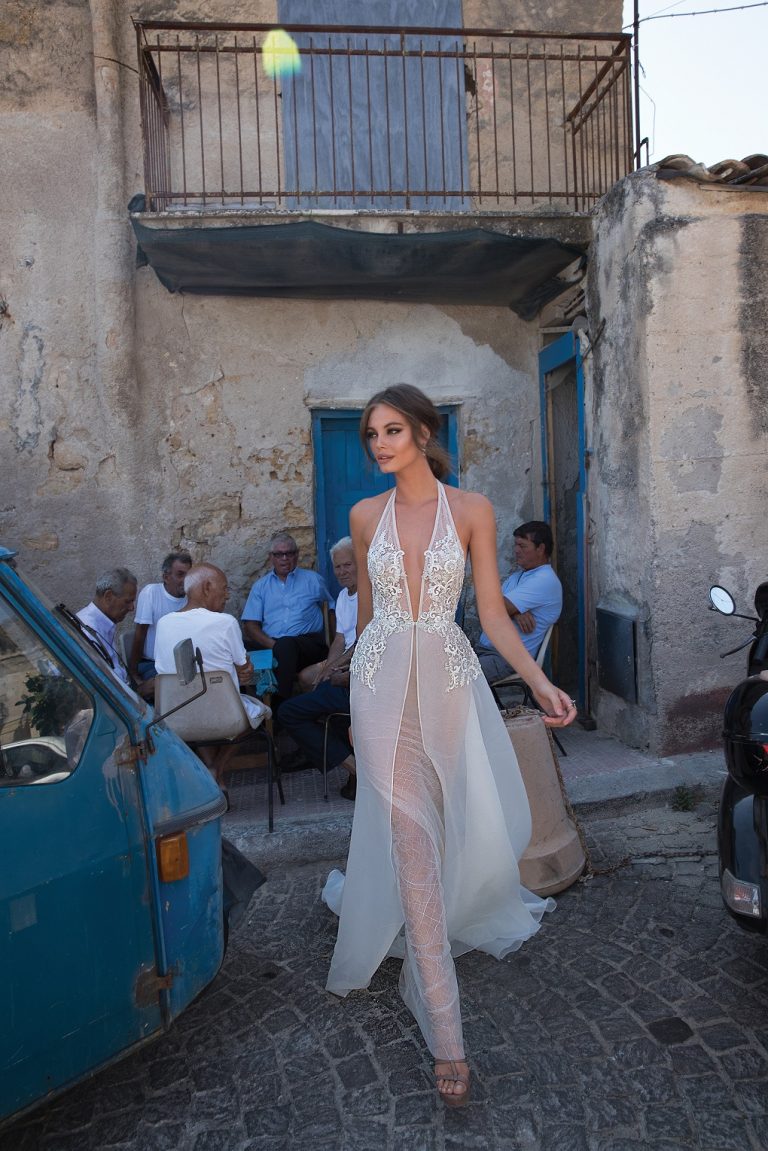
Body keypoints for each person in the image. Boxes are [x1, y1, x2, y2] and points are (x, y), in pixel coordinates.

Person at [321, 384, 576, 1108]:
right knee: (409, 836)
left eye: (393, 430)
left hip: (448, 681)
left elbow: (491, 613)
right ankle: (447, 1033)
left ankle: (428, 931)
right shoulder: (363, 516)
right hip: (378, 685)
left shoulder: (472, 510)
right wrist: (351, 700)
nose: (380, 444)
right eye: (372, 433)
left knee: (438, 830)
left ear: (424, 433)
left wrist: (539, 680)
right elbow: (367, 622)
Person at [154, 564, 270, 792]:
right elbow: (245, 668)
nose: (227, 595)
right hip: (226, 715)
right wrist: (239, 669)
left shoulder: (164, 624)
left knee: (199, 705)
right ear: (207, 587)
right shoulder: (225, 622)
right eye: (224, 588)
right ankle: (216, 768)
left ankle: (211, 773)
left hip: (178, 715)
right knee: (255, 712)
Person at [279, 537, 358, 799]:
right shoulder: (344, 597)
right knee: (313, 681)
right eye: (338, 567)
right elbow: (339, 639)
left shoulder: (371, 597)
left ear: (361, 564)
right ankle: (349, 765)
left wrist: (336, 668)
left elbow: (363, 643)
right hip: (345, 666)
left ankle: (356, 770)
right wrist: (328, 667)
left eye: (347, 565)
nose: (342, 572)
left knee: (291, 711)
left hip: (360, 675)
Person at [241, 532, 333, 713]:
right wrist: (275, 646)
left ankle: (279, 708)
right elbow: (250, 625)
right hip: (273, 645)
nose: (284, 558)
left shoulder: (313, 580)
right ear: (271, 557)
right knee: (238, 648)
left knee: (287, 645)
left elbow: (331, 608)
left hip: (307, 645)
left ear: (296, 555)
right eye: (279, 554)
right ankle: (244, 709)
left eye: (289, 553)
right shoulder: (261, 586)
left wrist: (336, 644)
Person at [475, 521, 563, 682]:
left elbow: (489, 608)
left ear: (541, 548)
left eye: (522, 546)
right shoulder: (518, 576)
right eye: (516, 545)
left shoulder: (544, 580)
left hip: (507, 659)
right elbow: (483, 607)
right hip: (486, 651)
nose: (516, 550)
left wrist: (508, 609)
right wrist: (515, 612)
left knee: (452, 678)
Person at [128, 551, 193, 683]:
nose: (185, 580)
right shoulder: (151, 593)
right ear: (166, 577)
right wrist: (133, 674)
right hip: (153, 664)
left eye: (189, 575)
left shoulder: (192, 598)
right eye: (180, 574)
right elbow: (140, 634)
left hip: (183, 666)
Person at [77, 568, 138, 687]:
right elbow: (105, 686)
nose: (132, 608)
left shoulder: (102, 625)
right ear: (108, 596)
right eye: (128, 601)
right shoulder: (88, 632)